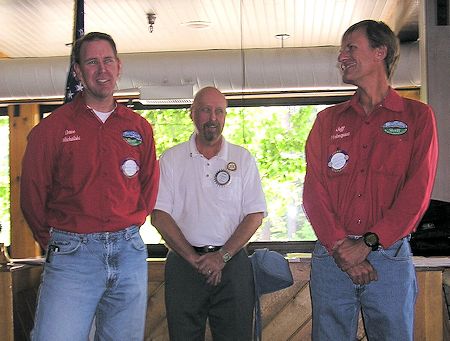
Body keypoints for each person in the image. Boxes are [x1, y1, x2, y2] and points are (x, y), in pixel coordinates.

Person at [303, 20, 438, 340]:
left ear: (381, 52)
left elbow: (417, 194)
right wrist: (341, 246)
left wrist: (367, 244)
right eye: (341, 50)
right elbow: (314, 192)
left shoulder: (418, 117)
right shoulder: (327, 121)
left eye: (351, 48)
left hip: (389, 258)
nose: (342, 56)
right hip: (332, 257)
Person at [20, 32, 159, 340]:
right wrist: (61, 243)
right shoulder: (51, 129)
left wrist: (129, 228)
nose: (102, 69)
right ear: (78, 72)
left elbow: (148, 187)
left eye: (108, 61)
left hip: (129, 254)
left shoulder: (139, 128)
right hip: (72, 257)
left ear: (119, 67)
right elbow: (31, 196)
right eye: (92, 62)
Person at [151, 86, 267, 341]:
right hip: (183, 264)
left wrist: (221, 257)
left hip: (233, 264)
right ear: (192, 114)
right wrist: (195, 259)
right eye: (205, 110)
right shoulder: (170, 159)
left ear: (225, 117)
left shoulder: (243, 159)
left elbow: (254, 216)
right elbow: (159, 216)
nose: (213, 118)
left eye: (219, 111)